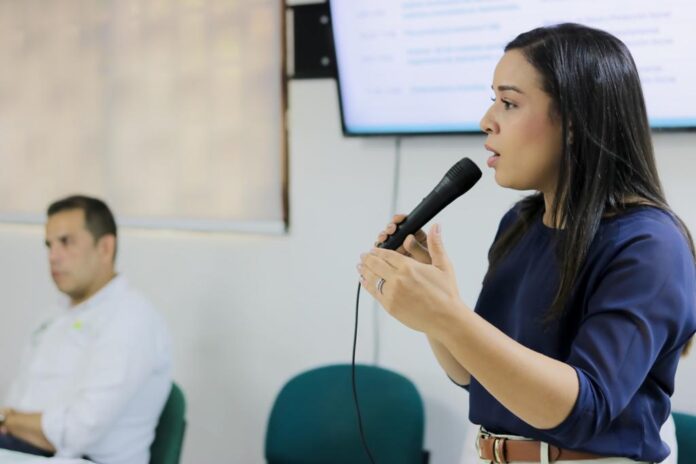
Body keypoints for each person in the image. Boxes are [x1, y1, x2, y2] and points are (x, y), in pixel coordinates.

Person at [358, 23, 696, 463]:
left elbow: (583, 410)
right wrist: (436, 312)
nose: (487, 120)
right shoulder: (520, 222)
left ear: (574, 123)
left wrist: (451, 316)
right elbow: (472, 373)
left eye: (509, 102)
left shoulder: (649, 245)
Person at [0, 195, 172, 464]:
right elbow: (16, 408)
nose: (53, 256)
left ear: (105, 247)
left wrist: (9, 419)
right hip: (22, 449)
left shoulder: (131, 318)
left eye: (66, 242)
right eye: (49, 245)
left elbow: (75, 432)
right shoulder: (52, 317)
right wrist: (12, 421)